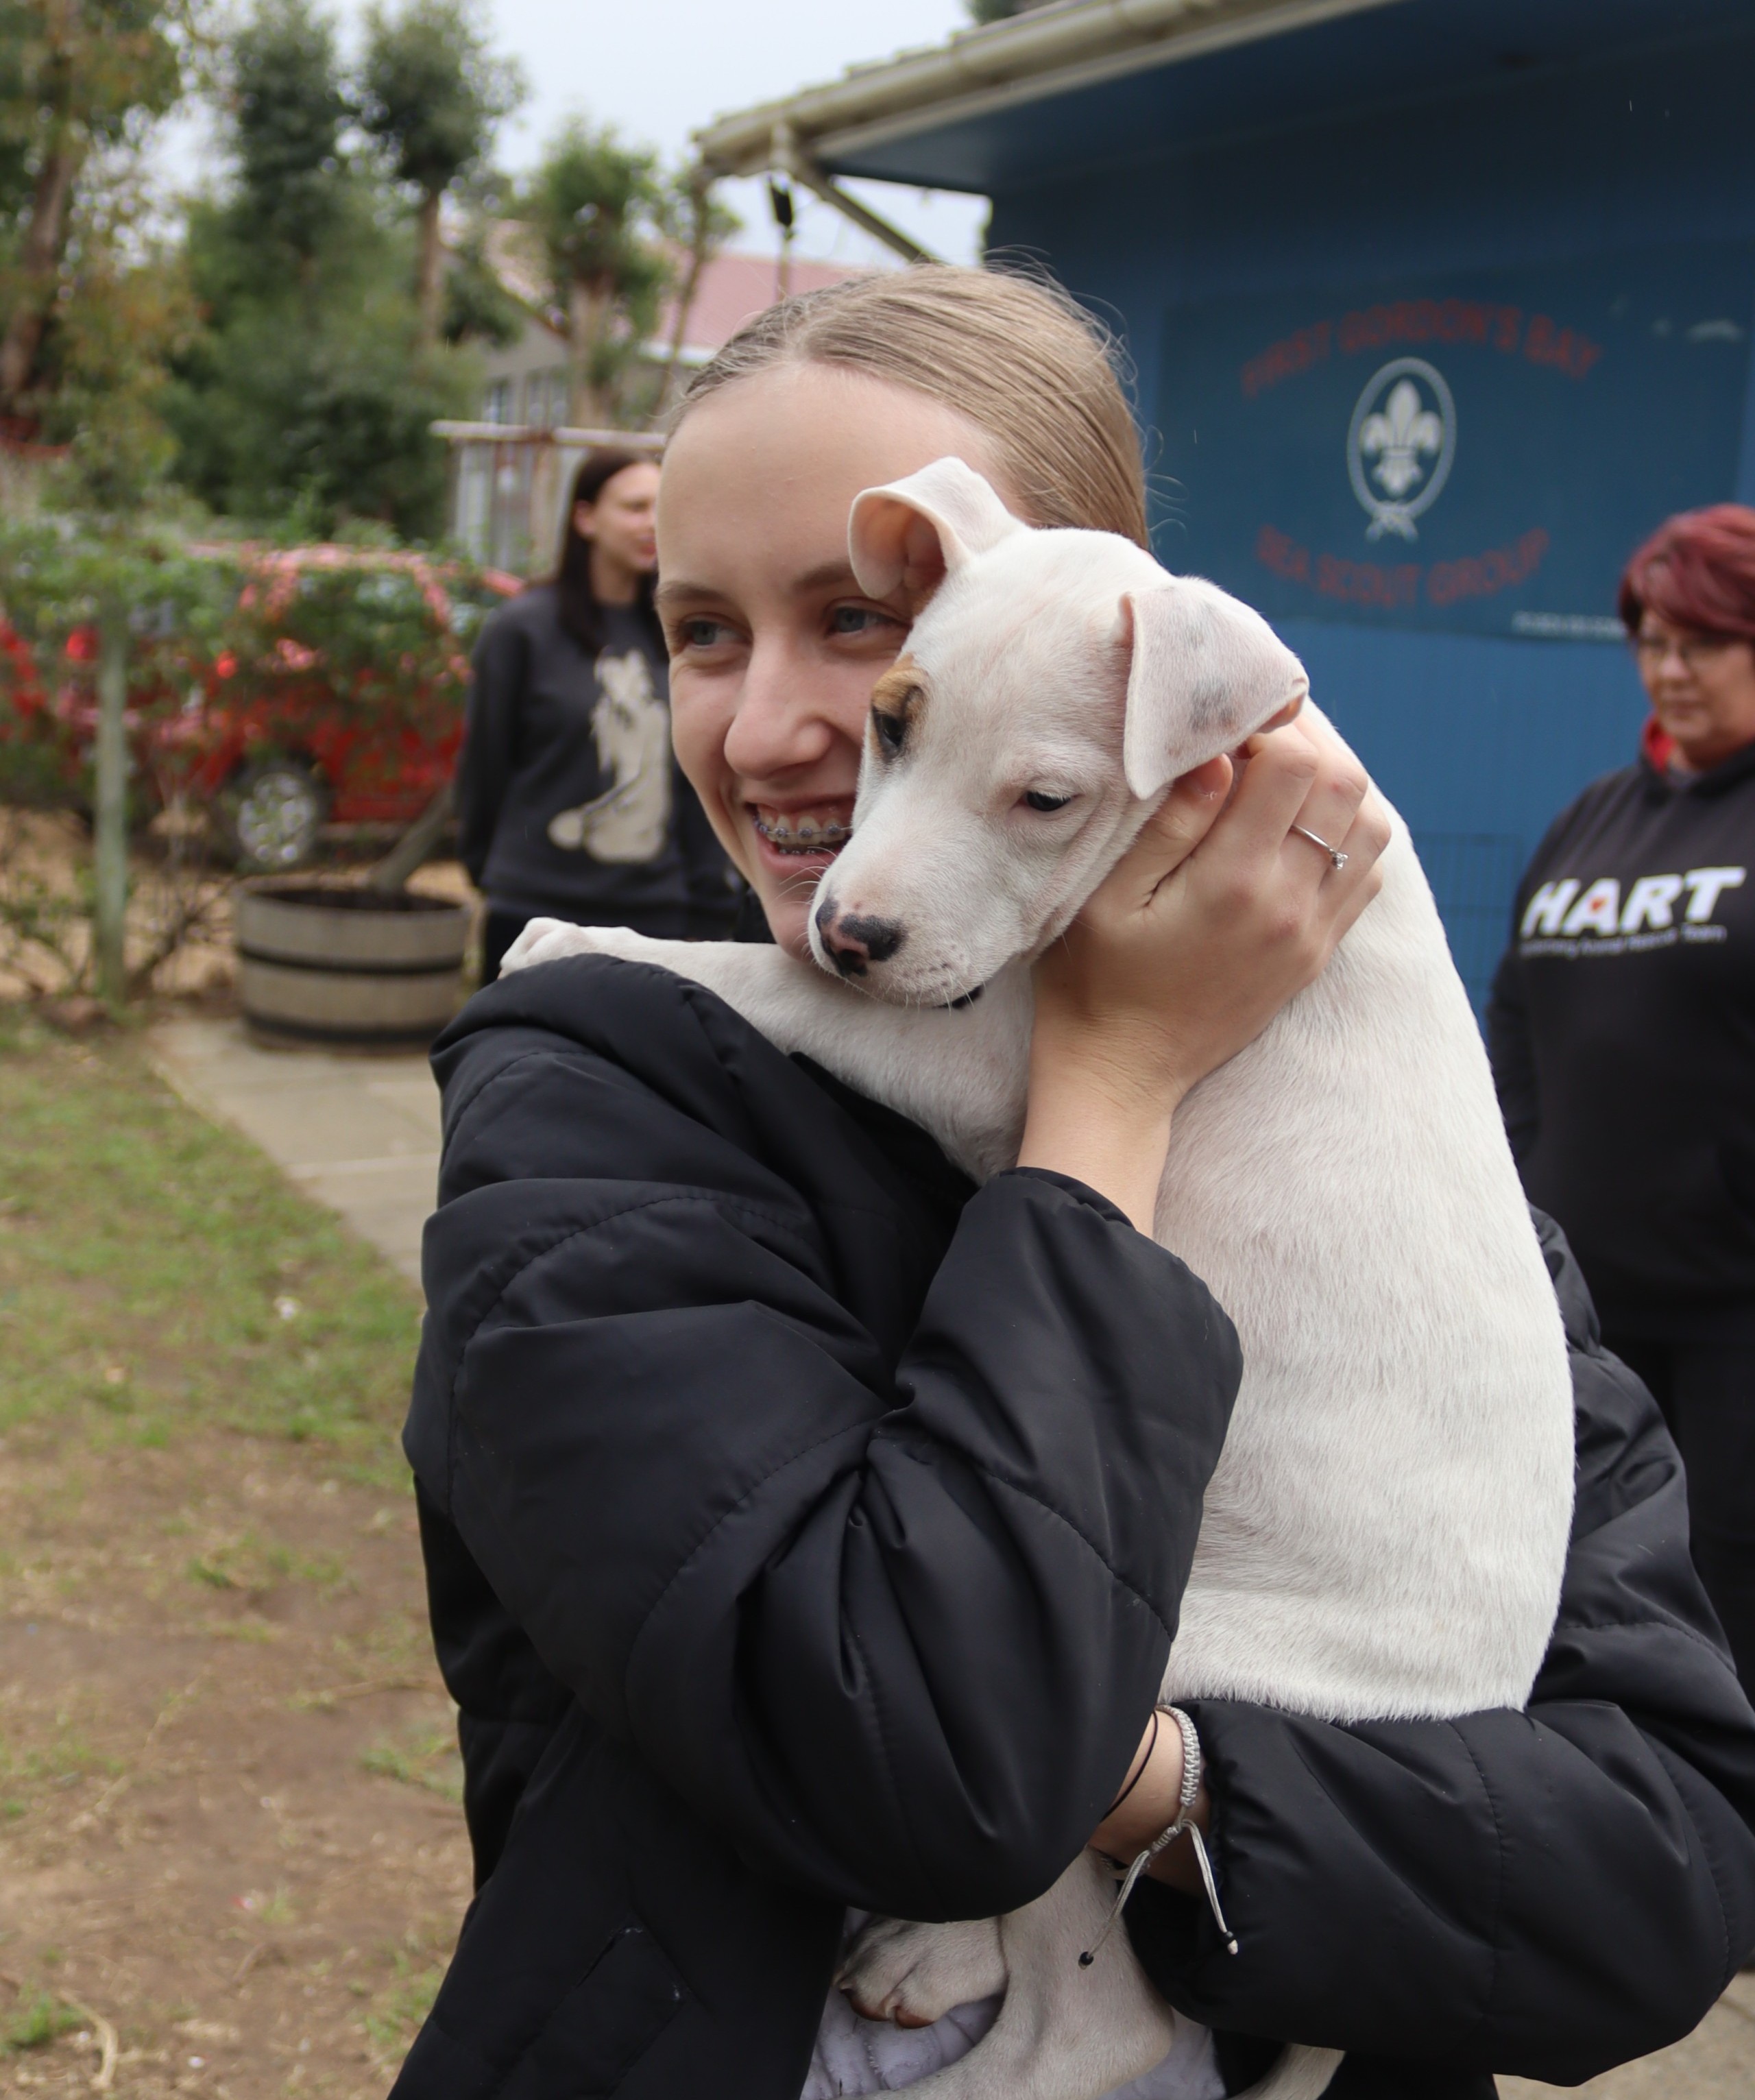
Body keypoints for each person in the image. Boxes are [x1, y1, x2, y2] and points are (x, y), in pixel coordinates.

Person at [398, 274, 1755, 2100]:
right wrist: (1112, 1075)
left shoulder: (1452, 1220)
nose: (778, 721)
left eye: (862, 625)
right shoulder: (598, 1114)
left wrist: (1162, 1780)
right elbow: (929, 1758)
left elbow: (1668, 1871)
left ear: (1107, 636)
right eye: (702, 627)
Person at [1488, 503, 1755, 1689]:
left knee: (1729, 1608)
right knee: (1581, 1599)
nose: (1669, 669)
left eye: (1702, 641)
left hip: (1735, 1320)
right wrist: (1531, 1184)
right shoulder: (1591, 821)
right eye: (1650, 641)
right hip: (1588, 1323)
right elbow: (1518, 1026)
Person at [455, 447, 739, 983]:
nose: (650, 524)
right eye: (633, 507)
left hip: (655, 916)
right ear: (585, 518)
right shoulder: (523, 629)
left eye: (660, 508)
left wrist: (707, 902)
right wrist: (487, 870)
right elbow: (485, 765)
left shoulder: (679, 633)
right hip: (537, 911)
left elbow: (693, 776)